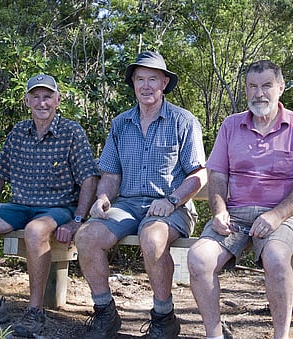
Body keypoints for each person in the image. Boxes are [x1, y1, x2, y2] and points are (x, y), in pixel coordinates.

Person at [75, 51, 207, 339]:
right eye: (140, 80)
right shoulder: (120, 124)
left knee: (152, 237)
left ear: (164, 84)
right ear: (133, 84)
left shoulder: (183, 121)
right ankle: (105, 313)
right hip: (128, 205)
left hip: (173, 206)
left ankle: (163, 317)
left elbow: (199, 174)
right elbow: (110, 175)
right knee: (85, 236)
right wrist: (102, 198)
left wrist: (171, 200)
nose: (146, 86)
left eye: (152, 79)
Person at [187, 59, 293, 339]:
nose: (259, 93)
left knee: (274, 256)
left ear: (280, 88)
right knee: (199, 258)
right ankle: (214, 335)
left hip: (284, 216)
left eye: (267, 86)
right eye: (253, 86)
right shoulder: (231, 125)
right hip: (235, 214)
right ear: (245, 90)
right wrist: (219, 210)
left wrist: (276, 215)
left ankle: (280, 336)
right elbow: (218, 175)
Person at [0, 74, 99, 337]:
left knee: (35, 230)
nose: (42, 102)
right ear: (27, 100)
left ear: (58, 100)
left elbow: (89, 178)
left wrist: (77, 220)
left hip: (57, 208)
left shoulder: (71, 132)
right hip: (19, 206)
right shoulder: (19, 131)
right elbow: (0, 172)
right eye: (36, 97)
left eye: (48, 96)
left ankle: (35, 312)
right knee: (26, 224)